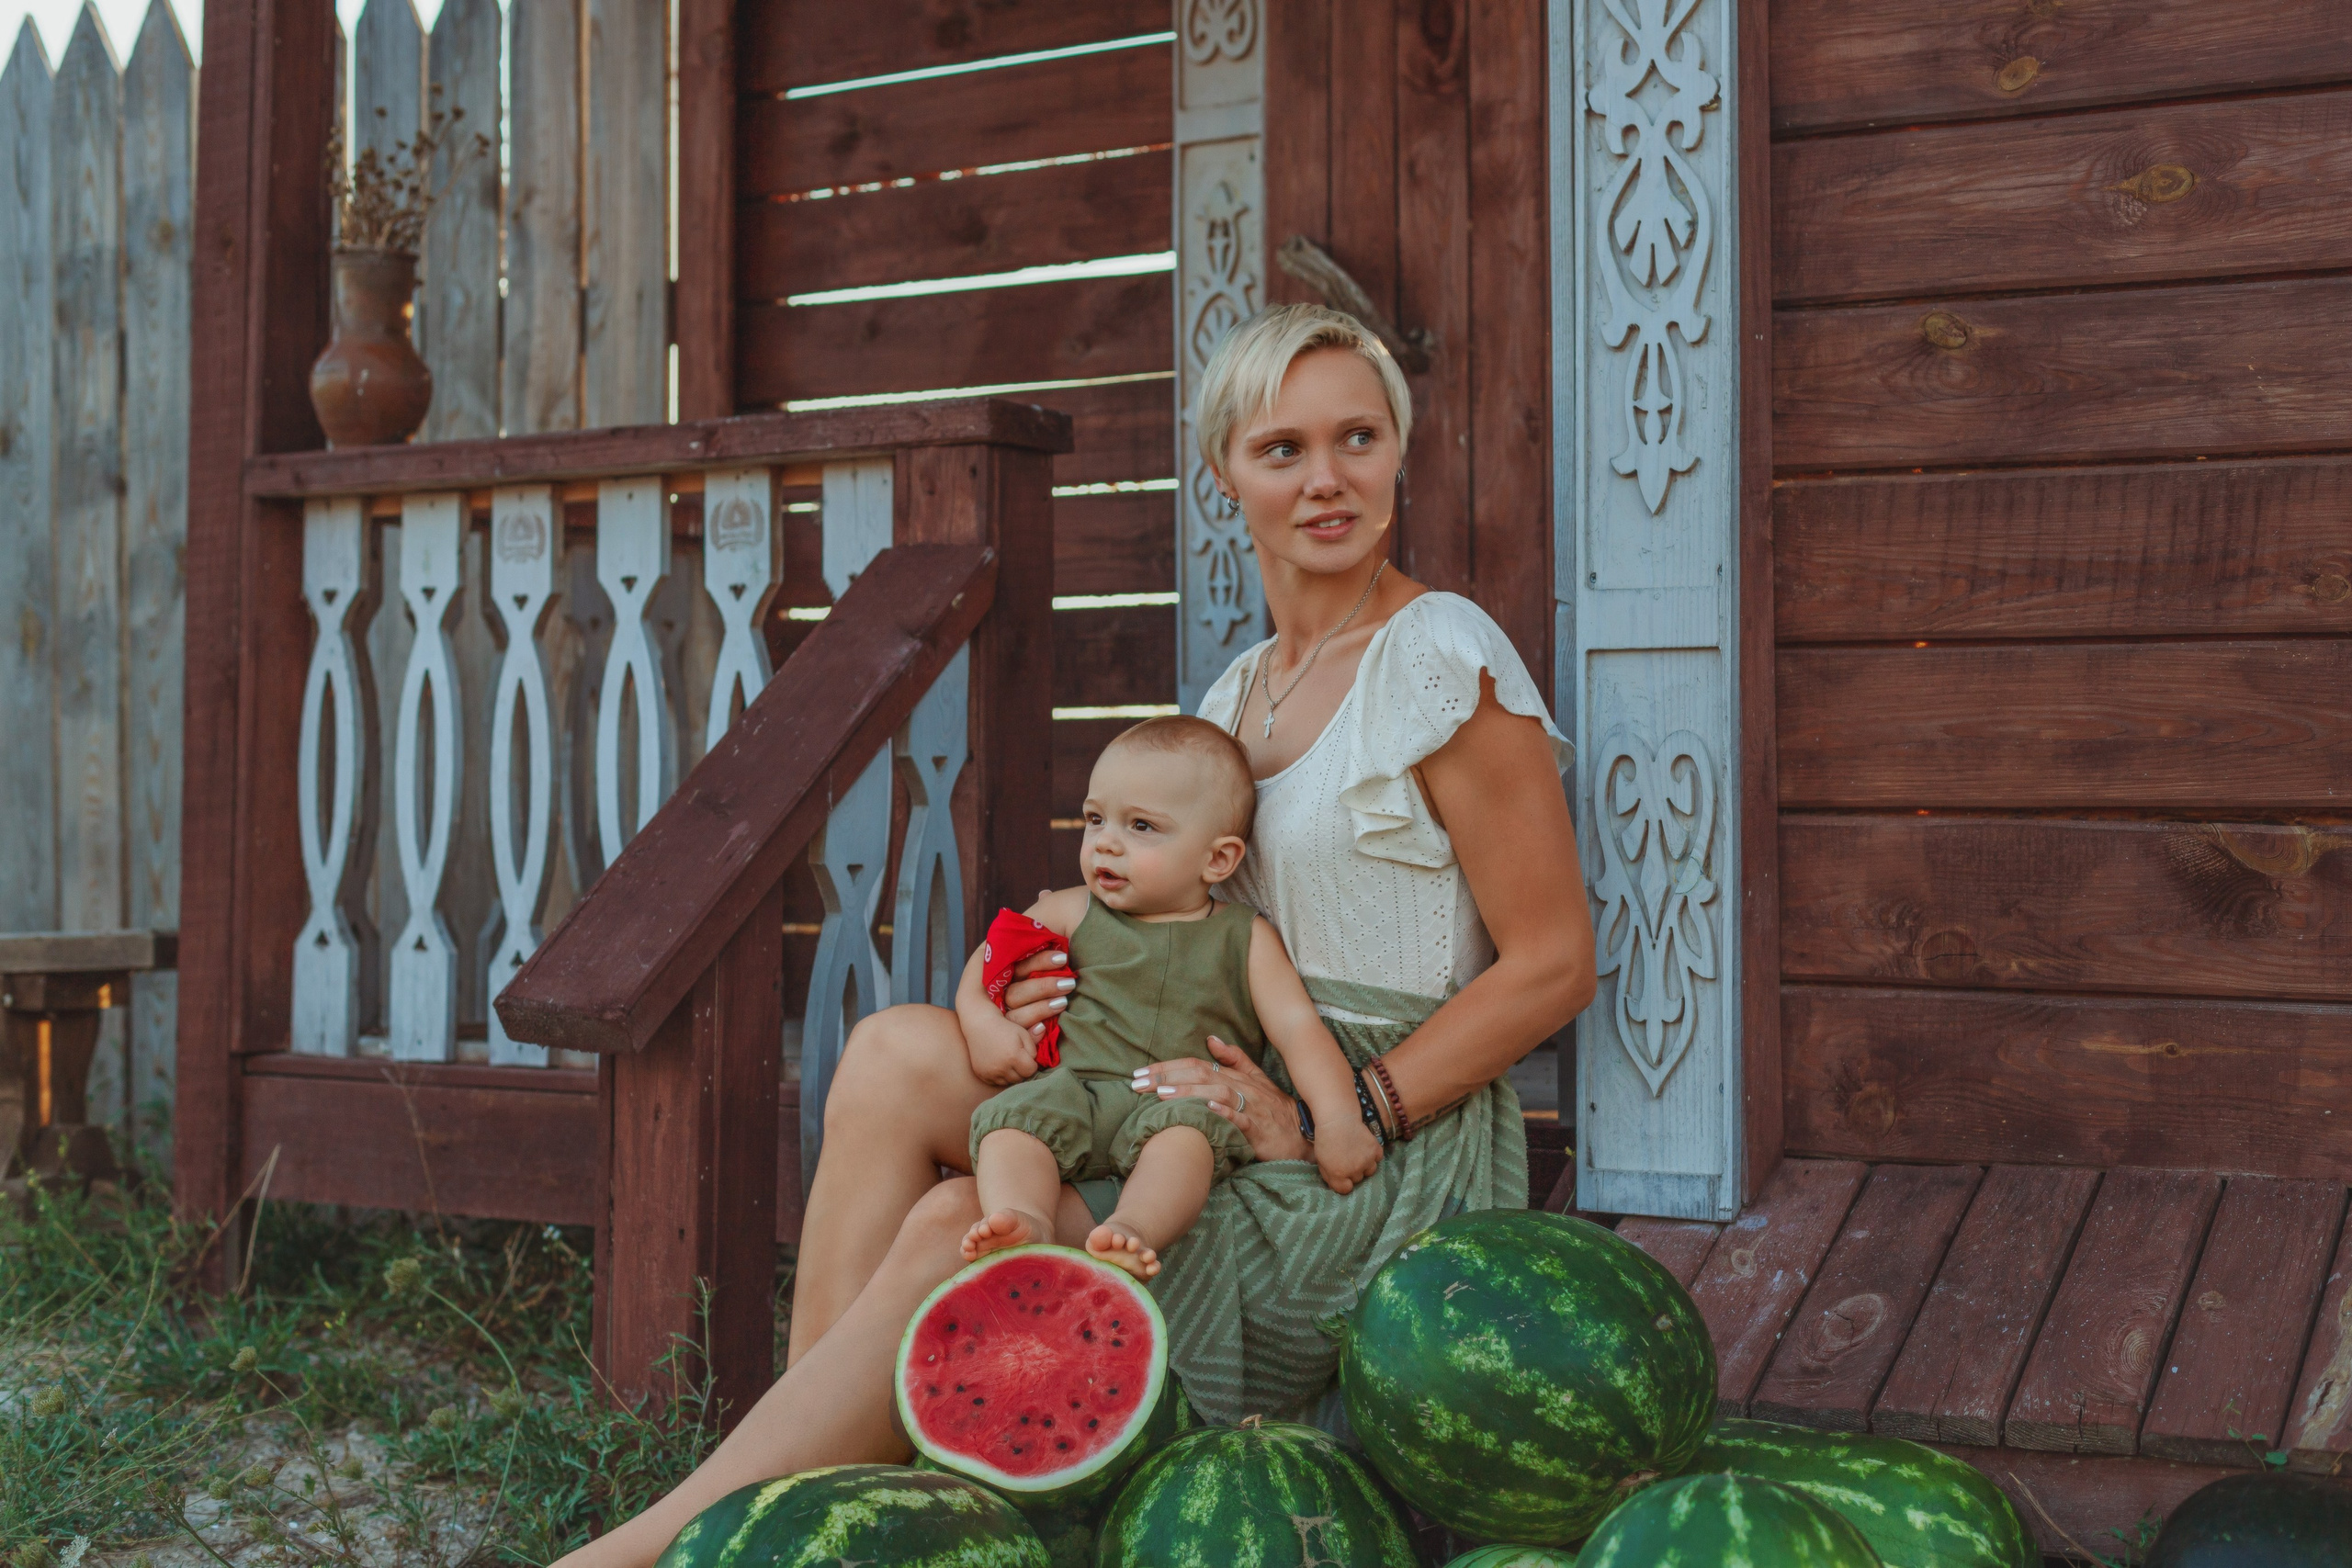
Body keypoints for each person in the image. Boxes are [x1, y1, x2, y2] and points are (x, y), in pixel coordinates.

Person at [553, 303, 1597, 1568]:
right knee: (892, 1053)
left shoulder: (1438, 655)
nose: (1327, 478)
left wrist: (1346, 1107)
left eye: (1358, 438)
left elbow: (1555, 963)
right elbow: (1147, 921)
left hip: (1369, 1156)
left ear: (1397, 451)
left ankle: (665, 1546)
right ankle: (804, 1512)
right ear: (1223, 476)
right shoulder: (1236, 693)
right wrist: (995, 992)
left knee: (955, 1221)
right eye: (1283, 449)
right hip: (1202, 1077)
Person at [956, 716, 1385, 1280]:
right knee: (1012, 1126)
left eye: (1141, 826)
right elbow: (990, 960)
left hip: (1172, 1103)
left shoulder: (1244, 937)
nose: (1105, 841)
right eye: (1095, 819)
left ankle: (1133, 1229)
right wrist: (979, 1021)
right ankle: (1027, 1221)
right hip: (1072, 1089)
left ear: (1217, 860)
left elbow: (1298, 1030)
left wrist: (1338, 1122)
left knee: (1187, 1143)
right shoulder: (1071, 908)